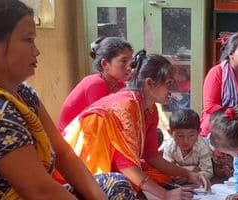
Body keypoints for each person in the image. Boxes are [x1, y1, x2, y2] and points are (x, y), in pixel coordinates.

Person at [0, 1, 134, 199]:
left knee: (115, 185)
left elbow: (63, 153)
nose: (36, 51)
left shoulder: (23, 94)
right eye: (28, 40)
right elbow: (41, 192)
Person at [63, 50, 211, 200]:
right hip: (85, 170)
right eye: (169, 83)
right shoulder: (126, 107)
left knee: (162, 178)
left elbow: (152, 156)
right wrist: (165, 195)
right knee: (144, 183)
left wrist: (189, 174)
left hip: (113, 167)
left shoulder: (151, 110)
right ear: (149, 84)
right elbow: (126, 166)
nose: (172, 89)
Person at [57, 37, 133, 131]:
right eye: (124, 61)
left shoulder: (120, 84)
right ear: (105, 64)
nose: (129, 67)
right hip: (70, 140)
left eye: (131, 61)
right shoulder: (96, 84)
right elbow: (102, 122)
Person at [160, 109, 213, 180]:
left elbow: (208, 172)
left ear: (198, 132)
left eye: (191, 135)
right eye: (180, 136)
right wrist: (188, 170)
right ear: (170, 133)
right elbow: (166, 168)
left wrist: (189, 177)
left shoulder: (202, 146)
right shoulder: (169, 146)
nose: (185, 141)